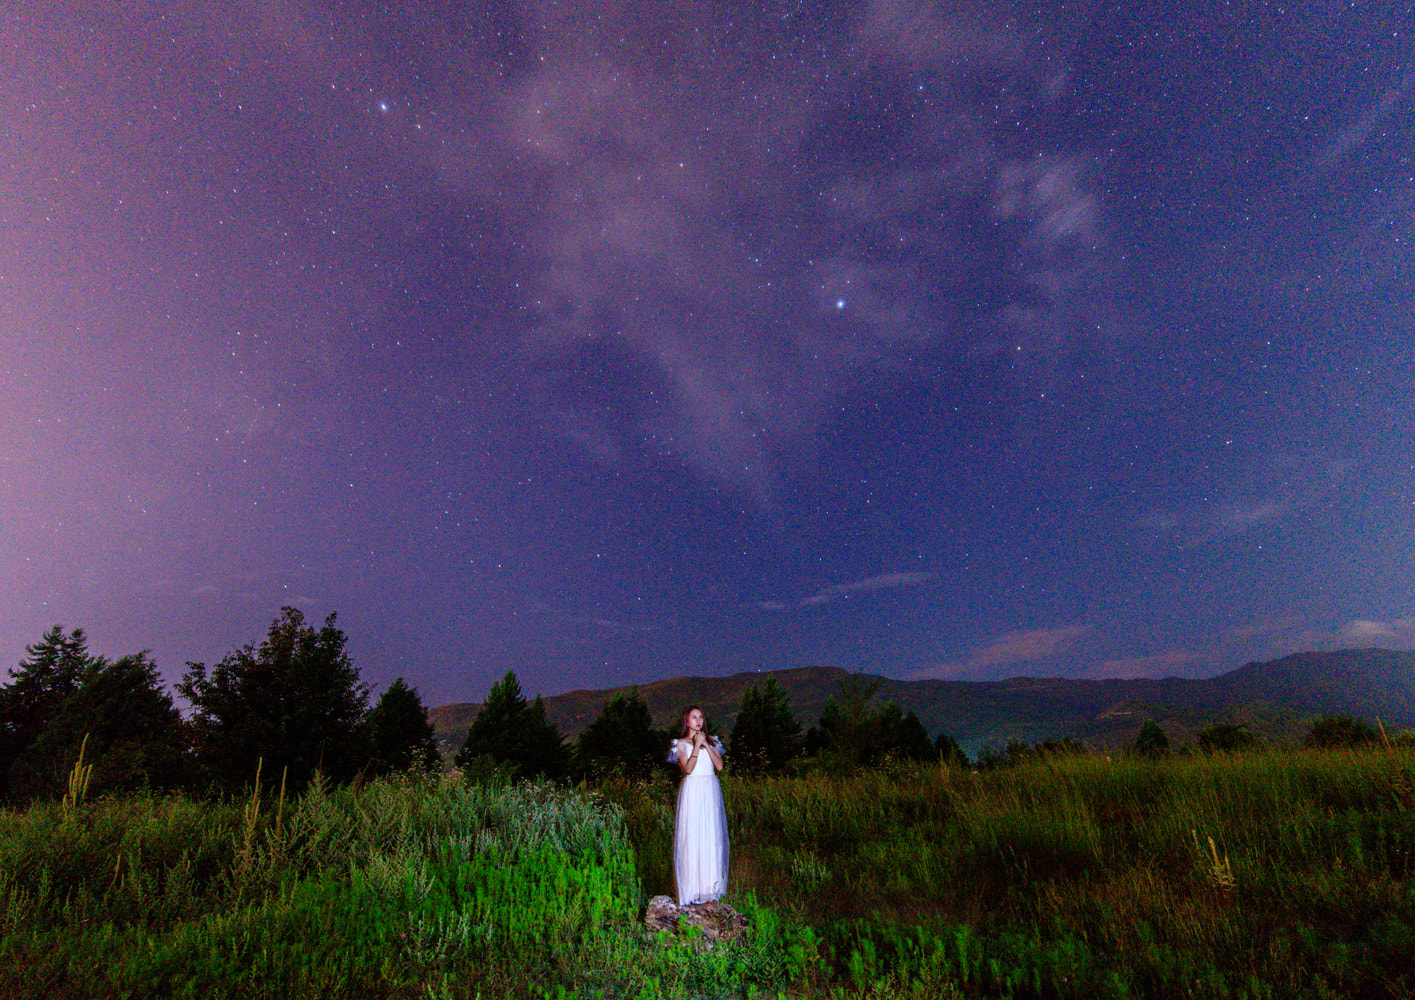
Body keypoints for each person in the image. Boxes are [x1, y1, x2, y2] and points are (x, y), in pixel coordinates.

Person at [668, 704, 728, 905]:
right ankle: (692, 889)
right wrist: (695, 746)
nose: (698, 720)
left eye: (700, 716)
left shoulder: (713, 741)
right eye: (694, 717)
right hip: (693, 791)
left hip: (710, 790)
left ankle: (710, 888)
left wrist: (706, 746)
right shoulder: (680, 744)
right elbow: (688, 769)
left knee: (710, 835)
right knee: (693, 836)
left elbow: (719, 766)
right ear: (687, 720)